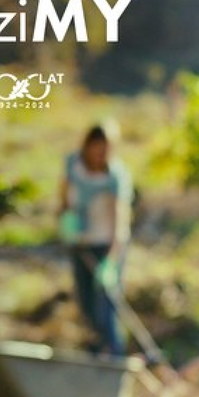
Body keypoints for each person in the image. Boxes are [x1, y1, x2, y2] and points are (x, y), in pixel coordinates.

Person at [58, 122, 134, 359]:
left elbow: (120, 222)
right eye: (97, 147)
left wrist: (111, 262)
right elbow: (64, 195)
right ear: (88, 145)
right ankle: (94, 356)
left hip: (106, 246)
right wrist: (67, 220)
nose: (101, 154)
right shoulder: (74, 164)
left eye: (106, 149)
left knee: (107, 308)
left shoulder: (115, 177)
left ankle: (115, 358)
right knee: (87, 305)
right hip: (80, 243)